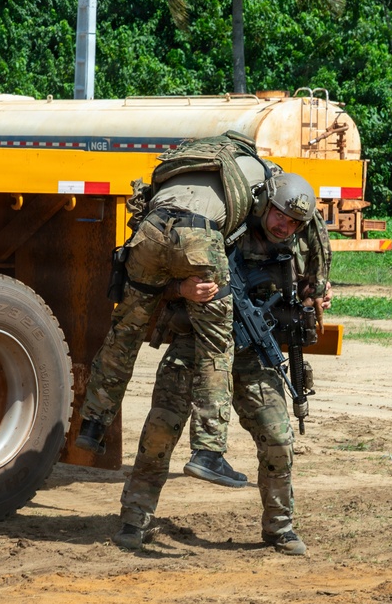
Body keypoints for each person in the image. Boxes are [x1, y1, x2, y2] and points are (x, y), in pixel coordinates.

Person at [111, 173, 333, 555]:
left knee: (278, 437)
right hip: (194, 347)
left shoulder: (297, 247)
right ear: (266, 206)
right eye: (280, 216)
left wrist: (315, 297)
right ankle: (135, 520)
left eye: (294, 222)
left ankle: (279, 527)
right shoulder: (221, 229)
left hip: (251, 353)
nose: (285, 226)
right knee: (160, 431)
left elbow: (300, 294)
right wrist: (181, 290)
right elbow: (144, 282)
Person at [76, 132, 307, 488]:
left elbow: (145, 206)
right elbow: (293, 211)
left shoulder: (192, 158)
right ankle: (208, 451)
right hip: (199, 235)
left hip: (152, 229)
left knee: (124, 334)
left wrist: (173, 284)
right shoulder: (261, 171)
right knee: (216, 348)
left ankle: (92, 425)